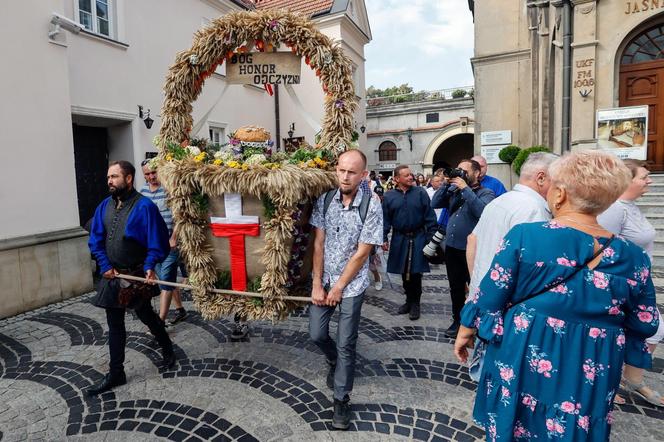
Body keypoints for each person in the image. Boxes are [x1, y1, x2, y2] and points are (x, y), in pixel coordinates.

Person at [454, 151, 659, 440]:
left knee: (516, 424)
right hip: (593, 363)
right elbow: (644, 321)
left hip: (527, 348)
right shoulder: (634, 257)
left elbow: (491, 294)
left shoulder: (526, 236)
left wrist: (466, 329)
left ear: (559, 193)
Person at [309, 149, 383, 430]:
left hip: (352, 284)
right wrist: (318, 283)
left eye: (352, 172)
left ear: (363, 175)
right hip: (325, 279)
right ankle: (332, 360)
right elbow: (318, 244)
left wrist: (340, 286)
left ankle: (341, 399)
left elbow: (362, 253)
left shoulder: (372, 205)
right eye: (341, 170)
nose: (345, 176)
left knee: (346, 342)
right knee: (316, 333)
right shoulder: (325, 200)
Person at [87, 161, 175, 395]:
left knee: (147, 315)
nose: (109, 181)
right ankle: (117, 372)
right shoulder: (103, 206)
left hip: (134, 275)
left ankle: (167, 348)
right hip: (112, 275)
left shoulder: (145, 207)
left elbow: (158, 243)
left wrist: (149, 266)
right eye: (108, 177)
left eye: (114, 176)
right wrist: (104, 265)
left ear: (129, 179)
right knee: (115, 325)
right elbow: (95, 240)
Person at [598, 159, 664, 407]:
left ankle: (633, 379)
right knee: (623, 333)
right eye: (643, 176)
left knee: (654, 329)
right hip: (622, 286)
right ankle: (612, 382)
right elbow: (602, 249)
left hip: (639, 284)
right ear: (626, 180)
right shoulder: (614, 209)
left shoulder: (631, 206)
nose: (649, 180)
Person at [466, 152, 557, 297]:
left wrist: (476, 284)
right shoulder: (533, 209)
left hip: (483, 294)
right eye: (557, 182)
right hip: (506, 303)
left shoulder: (499, 200)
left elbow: (472, 240)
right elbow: (532, 267)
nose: (560, 189)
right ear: (541, 178)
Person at [431, 159, 495, 337]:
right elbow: (434, 203)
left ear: (476, 173)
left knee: (476, 286)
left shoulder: (486, 192)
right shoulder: (454, 191)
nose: (461, 174)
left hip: (473, 250)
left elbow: (483, 212)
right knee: (456, 287)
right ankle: (458, 321)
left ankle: (478, 321)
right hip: (452, 247)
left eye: (465, 171)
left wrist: (465, 189)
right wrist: (446, 185)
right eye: (459, 170)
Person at [383, 165, 438, 320]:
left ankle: (416, 304)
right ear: (396, 179)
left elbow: (430, 216)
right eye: (406, 175)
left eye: (411, 174)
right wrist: (383, 237)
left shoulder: (420, 193)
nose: (410, 177)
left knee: (415, 272)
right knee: (403, 271)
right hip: (399, 239)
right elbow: (385, 220)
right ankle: (408, 300)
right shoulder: (389, 196)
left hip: (419, 237)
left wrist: (431, 239)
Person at [140, 160, 187, 325]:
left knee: (164, 281)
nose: (151, 176)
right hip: (152, 245)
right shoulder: (143, 191)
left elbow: (181, 215)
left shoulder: (170, 189)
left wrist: (174, 237)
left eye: (154, 172)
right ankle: (180, 310)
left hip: (169, 244)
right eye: (147, 174)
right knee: (167, 278)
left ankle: (159, 323)